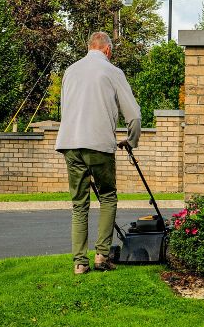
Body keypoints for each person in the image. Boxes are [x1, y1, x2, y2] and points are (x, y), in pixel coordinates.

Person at [56, 31, 143, 274]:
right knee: (107, 196)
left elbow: (66, 109)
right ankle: (101, 256)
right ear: (107, 50)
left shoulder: (70, 71)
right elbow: (134, 115)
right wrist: (131, 141)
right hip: (99, 143)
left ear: (89, 47)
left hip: (70, 143)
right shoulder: (113, 72)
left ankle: (79, 262)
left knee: (79, 204)